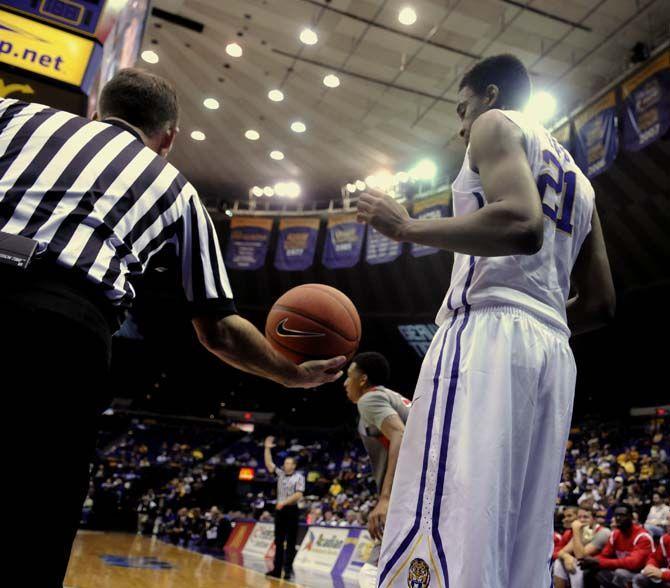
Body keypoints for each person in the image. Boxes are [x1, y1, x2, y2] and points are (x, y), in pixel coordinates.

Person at [0, 68, 343, 587]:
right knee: (33, 516)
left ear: (96, 109)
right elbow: (219, 329)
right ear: (168, 139)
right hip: (63, 329)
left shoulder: (16, 115)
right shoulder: (178, 192)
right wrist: (293, 376)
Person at [356, 53, 615, 587]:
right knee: (516, 534)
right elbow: (601, 304)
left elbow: (523, 224)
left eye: (464, 106)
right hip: (553, 352)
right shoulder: (582, 184)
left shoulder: (496, 125)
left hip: (487, 335)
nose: (462, 123)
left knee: (447, 511)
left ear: (490, 96)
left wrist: (406, 228)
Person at [343, 352, 411, 588]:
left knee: (373, 569)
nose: (345, 383)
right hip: (429, 483)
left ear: (362, 379)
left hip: (415, 487)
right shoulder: (389, 397)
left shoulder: (369, 399)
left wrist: (385, 498)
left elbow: (400, 435)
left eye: (349, 376)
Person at [580, 504, 654, 586]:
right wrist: (592, 561)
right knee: (591, 570)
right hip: (623, 570)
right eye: (616, 515)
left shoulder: (643, 536)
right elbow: (604, 555)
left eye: (622, 515)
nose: (618, 518)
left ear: (631, 517)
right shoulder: (615, 534)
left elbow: (633, 563)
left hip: (642, 575)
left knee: (620, 573)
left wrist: (599, 562)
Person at [264, 436, 306, 580]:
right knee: (278, 541)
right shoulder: (280, 474)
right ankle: (276, 569)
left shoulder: (299, 477)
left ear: (293, 466)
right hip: (280, 511)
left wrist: (284, 502)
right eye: (285, 462)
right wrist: (267, 448)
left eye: (288, 463)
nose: (285, 465)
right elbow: (269, 464)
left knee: (291, 542)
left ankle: (288, 570)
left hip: (291, 510)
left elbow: (299, 494)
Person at [554, 506, 611, 588]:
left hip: (598, 565)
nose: (581, 520)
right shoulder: (582, 531)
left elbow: (581, 556)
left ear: (594, 519)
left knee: (577, 564)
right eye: (579, 517)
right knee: (559, 562)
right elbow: (561, 552)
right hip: (585, 565)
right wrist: (566, 557)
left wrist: (576, 530)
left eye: (586, 517)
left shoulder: (603, 532)